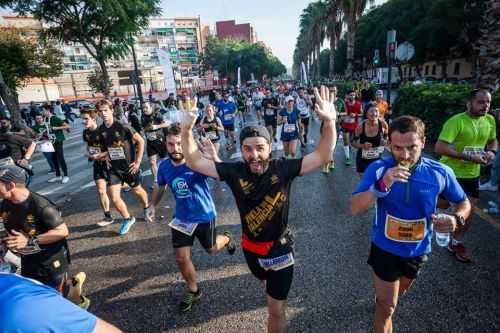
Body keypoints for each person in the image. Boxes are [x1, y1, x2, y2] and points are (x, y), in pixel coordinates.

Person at [179, 86, 337, 333]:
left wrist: (330, 122)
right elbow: (194, 161)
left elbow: (323, 154)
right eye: (248, 149)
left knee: (275, 310)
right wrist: (186, 129)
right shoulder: (234, 172)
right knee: (264, 282)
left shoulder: (282, 168)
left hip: (280, 250)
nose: (254, 155)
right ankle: (267, 280)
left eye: (259, 148)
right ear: (241, 150)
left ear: (269, 147)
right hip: (250, 251)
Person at [351, 115, 471, 333]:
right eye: (397, 148)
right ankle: (382, 306)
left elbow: (463, 202)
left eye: (412, 148)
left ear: (423, 143)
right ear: (388, 144)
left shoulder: (439, 172)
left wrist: (456, 218)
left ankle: (383, 297)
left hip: (417, 250)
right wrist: (383, 183)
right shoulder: (379, 168)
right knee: (388, 307)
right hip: (385, 248)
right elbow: (356, 208)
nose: (404, 155)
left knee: (396, 296)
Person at [148, 125, 235, 313]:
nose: (176, 148)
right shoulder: (164, 166)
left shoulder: (197, 161)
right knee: (181, 258)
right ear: (166, 144)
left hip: (204, 215)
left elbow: (222, 177)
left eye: (179, 143)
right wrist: (152, 205)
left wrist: (213, 158)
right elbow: (160, 186)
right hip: (182, 218)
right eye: (171, 144)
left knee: (211, 249)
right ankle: (193, 290)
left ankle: (226, 238)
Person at [0, 165, 90, 309]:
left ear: (10, 185)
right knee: (38, 292)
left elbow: (62, 231)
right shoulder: (5, 203)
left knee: (62, 293)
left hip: (51, 259)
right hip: (28, 258)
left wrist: (29, 241)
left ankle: (81, 303)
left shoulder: (41, 206)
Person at [434, 89, 497, 263]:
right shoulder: (456, 122)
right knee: (442, 203)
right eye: (481, 102)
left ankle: (456, 242)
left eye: (488, 102)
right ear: (469, 103)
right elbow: (439, 147)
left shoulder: (490, 120)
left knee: (468, 212)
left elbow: (493, 139)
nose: (485, 106)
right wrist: (467, 156)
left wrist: (492, 151)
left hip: (471, 174)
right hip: (449, 172)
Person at [95, 99, 152, 236]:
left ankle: (146, 207)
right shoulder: (100, 130)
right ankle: (128, 218)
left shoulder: (122, 126)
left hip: (129, 167)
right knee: (114, 197)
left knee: (137, 190)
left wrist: (138, 162)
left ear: (111, 110)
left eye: (106, 110)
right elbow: (105, 148)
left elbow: (141, 141)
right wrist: (106, 157)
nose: (103, 114)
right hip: (114, 169)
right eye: (100, 111)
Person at [0, 273, 122, 333]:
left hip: (50, 263)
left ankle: (75, 294)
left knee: (60, 290)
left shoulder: (25, 306)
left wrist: (31, 241)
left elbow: (62, 231)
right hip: (30, 271)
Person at [81, 109, 114, 227]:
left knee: (114, 193)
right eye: (83, 119)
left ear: (93, 118)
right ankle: (108, 216)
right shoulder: (85, 132)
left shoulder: (102, 131)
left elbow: (112, 149)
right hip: (97, 164)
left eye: (86, 119)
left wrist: (100, 155)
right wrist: (88, 154)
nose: (84, 121)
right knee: (101, 191)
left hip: (108, 164)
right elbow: (87, 146)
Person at [352, 103, 388, 176]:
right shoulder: (360, 127)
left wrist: (384, 141)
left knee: (375, 180)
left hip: (377, 157)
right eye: (371, 111)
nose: (374, 114)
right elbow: (353, 142)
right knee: (365, 181)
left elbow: (386, 136)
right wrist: (362, 145)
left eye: (376, 111)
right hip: (363, 158)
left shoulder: (383, 124)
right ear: (366, 113)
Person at [141, 102, 170, 189]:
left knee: (164, 162)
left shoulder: (157, 115)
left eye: (146, 107)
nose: (144, 109)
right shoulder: (142, 116)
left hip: (160, 141)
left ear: (151, 107)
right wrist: (145, 130)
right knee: (152, 162)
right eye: (143, 108)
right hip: (150, 141)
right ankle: (156, 181)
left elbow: (166, 124)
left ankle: (166, 180)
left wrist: (156, 127)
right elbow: (144, 128)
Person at [43, 104, 70, 184]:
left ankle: (66, 176)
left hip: (58, 140)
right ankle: (58, 176)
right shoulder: (46, 118)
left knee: (60, 158)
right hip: (50, 141)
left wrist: (56, 128)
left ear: (48, 110)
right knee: (54, 159)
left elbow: (67, 126)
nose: (43, 112)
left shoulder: (55, 118)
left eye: (44, 110)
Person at [341, 90, 362, 166]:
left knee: (354, 142)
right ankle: (347, 158)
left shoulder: (358, 104)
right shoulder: (345, 103)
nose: (352, 96)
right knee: (345, 141)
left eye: (353, 95)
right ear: (348, 95)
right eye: (350, 95)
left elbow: (362, 113)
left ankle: (358, 154)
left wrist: (355, 115)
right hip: (345, 125)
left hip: (354, 126)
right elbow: (342, 112)